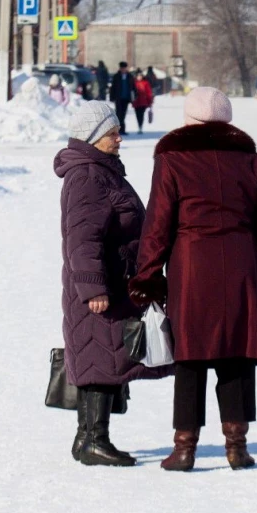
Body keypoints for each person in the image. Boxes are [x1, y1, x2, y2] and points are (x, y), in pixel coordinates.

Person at [129, 87, 257, 472]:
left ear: (188, 119)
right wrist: (251, 255)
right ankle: (237, 446)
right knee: (236, 353)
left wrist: (147, 275)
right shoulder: (250, 160)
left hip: (191, 267)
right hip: (240, 268)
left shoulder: (172, 159)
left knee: (191, 357)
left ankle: (184, 449)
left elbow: (158, 224)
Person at [54, 101, 172, 467]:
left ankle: (87, 439)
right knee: (99, 360)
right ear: (93, 137)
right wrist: (93, 289)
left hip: (112, 282)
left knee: (100, 358)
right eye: (111, 133)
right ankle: (93, 441)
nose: (119, 138)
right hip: (99, 287)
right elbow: (82, 238)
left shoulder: (100, 172)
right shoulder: (88, 176)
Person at [108, 62, 136, 135]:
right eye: (122, 68)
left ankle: (122, 130)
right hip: (118, 98)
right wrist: (112, 97)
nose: (123, 69)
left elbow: (133, 87)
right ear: (120, 68)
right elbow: (113, 87)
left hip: (126, 98)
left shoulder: (130, 76)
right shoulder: (116, 76)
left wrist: (134, 97)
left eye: (124, 68)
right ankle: (118, 130)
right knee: (118, 114)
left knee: (123, 114)